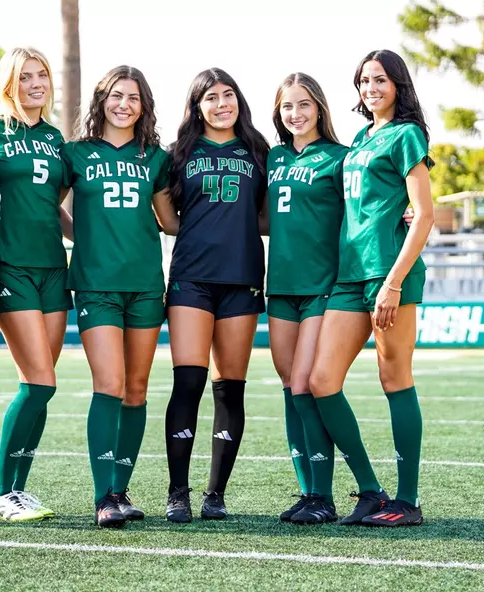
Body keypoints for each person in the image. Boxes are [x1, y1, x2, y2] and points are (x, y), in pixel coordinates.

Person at [307, 49, 435, 527]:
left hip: (390, 276)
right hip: (348, 275)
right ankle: (370, 490)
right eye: (364, 81)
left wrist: (394, 283)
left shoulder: (407, 135)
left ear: (398, 84)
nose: (371, 88)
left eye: (380, 80)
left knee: (394, 379)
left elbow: (424, 215)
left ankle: (408, 502)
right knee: (322, 381)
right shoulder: (360, 139)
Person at [60, 65, 179, 528]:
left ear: (144, 105)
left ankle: (122, 490)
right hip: (95, 285)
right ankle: (102, 496)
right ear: (101, 100)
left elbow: (170, 222)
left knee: (136, 388)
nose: (123, 104)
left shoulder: (155, 158)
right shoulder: (76, 154)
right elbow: (46, 205)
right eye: (115, 95)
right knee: (108, 383)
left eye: (133, 97)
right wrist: (82, 237)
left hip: (147, 285)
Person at [163, 68, 270, 522]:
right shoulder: (179, 153)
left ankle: (215, 495)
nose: (222, 103)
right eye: (211, 97)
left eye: (229, 95)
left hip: (242, 278)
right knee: (188, 381)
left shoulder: (260, 151)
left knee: (230, 389)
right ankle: (178, 493)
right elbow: (167, 218)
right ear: (197, 106)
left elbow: (270, 215)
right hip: (192, 278)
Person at [0, 47, 73, 523]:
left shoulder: (56, 138)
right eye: (26, 76)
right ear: (9, 83)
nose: (37, 83)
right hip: (10, 268)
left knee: (42, 386)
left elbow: (49, 204)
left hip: (54, 268)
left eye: (42, 75)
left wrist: (95, 236)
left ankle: (18, 489)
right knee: (39, 383)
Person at [264, 73, 347, 525]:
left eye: (303, 105)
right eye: (287, 107)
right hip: (280, 286)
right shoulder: (273, 157)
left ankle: (324, 495)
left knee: (304, 385)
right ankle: (306, 491)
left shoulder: (339, 157)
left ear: (319, 107)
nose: (295, 114)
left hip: (321, 287)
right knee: (287, 386)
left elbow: (364, 203)